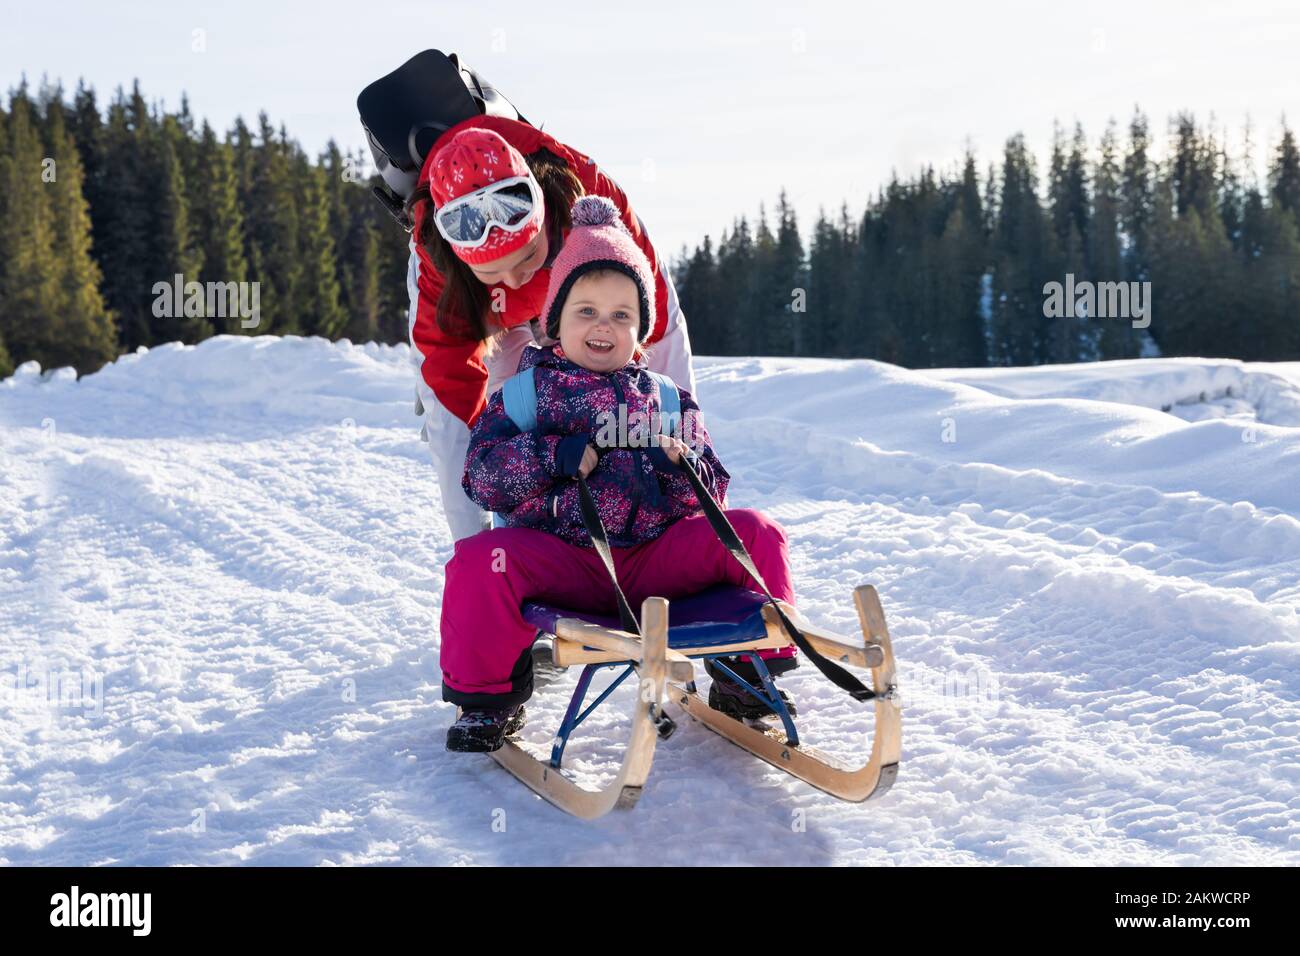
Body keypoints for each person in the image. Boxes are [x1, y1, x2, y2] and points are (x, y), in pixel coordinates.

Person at [440, 196, 797, 752]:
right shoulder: (525, 395)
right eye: (586, 311)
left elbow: (715, 489)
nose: (603, 326)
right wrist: (548, 456)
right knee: (481, 560)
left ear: (641, 331)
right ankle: (488, 703)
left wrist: (683, 466)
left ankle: (748, 677)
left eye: (621, 315)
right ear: (555, 320)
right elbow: (481, 476)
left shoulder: (667, 400)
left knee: (755, 532)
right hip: (569, 561)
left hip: (655, 562)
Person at [406, 119, 696, 543]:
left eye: (527, 257)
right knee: (516, 397)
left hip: (572, 286)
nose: (515, 280)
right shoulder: (436, 270)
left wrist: (685, 461)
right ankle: (543, 513)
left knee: (605, 375)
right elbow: (450, 416)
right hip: (492, 315)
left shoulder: (595, 203)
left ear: (544, 219)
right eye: (493, 271)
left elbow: (661, 330)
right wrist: (476, 547)